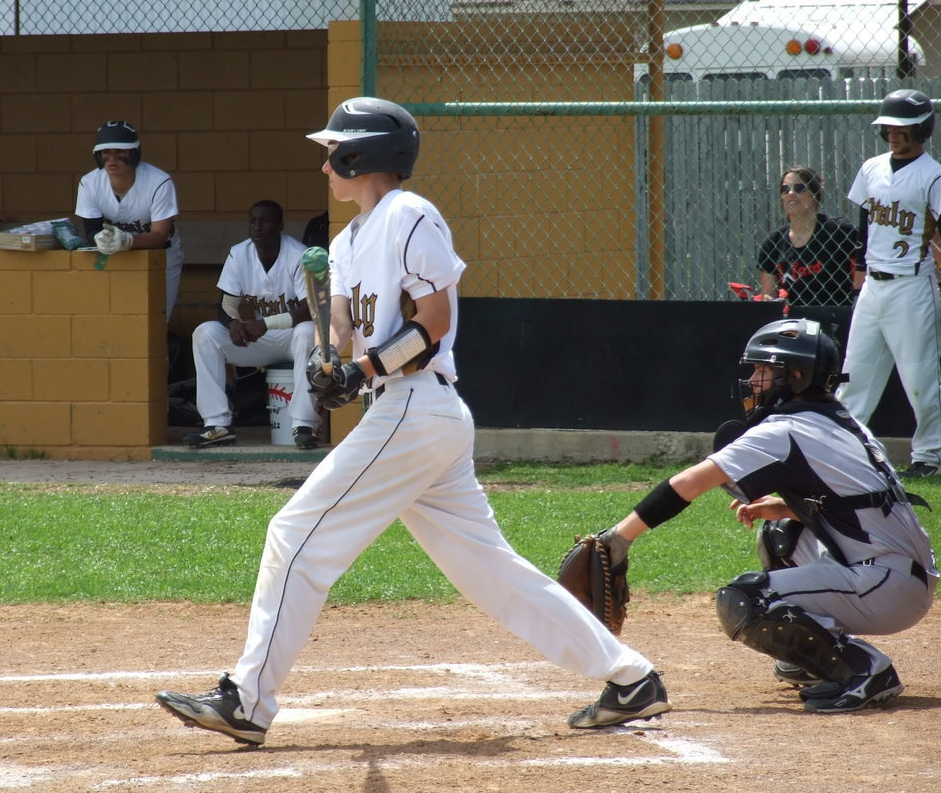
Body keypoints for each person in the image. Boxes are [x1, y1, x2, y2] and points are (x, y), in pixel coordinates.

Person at [155, 97, 672, 745]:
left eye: (333, 152)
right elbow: (340, 329)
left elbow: (434, 322)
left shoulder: (410, 216)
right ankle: (632, 678)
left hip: (414, 405)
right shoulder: (343, 241)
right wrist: (328, 361)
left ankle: (248, 700)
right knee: (494, 574)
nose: (325, 166)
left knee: (294, 534)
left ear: (362, 154)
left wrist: (363, 370)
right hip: (412, 415)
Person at [596, 318, 936, 714]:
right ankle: (812, 660)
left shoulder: (785, 429)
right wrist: (787, 506)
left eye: (764, 370)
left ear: (795, 375)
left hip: (885, 585)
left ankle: (864, 668)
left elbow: (688, 483)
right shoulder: (839, 419)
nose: (755, 380)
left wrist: (619, 537)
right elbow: (860, 499)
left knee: (743, 600)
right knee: (780, 532)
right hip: (896, 575)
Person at [838, 89, 941, 479]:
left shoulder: (933, 174)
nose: (892, 134)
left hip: (912, 285)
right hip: (874, 286)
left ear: (921, 129)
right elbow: (866, 226)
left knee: (919, 377)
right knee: (855, 373)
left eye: (901, 127)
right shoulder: (871, 168)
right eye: (887, 128)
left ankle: (929, 456)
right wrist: (860, 277)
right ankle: (848, 449)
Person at [183, 200, 320, 450]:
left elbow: (310, 310)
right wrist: (233, 323)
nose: (257, 227)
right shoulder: (240, 253)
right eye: (253, 221)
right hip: (259, 339)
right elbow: (225, 305)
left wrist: (265, 323)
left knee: (308, 332)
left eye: (265, 221)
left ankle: (304, 425)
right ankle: (217, 424)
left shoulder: (298, 254)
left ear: (279, 225)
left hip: (291, 337)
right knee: (205, 333)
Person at [75, 121, 183, 322]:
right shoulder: (89, 183)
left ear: (134, 153)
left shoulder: (158, 181)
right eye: (106, 152)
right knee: (117, 320)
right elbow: (91, 231)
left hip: (162, 257)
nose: (112, 158)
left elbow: (159, 237)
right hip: (115, 258)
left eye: (120, 151)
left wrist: (127, 241)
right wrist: (100, 239)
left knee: (156, 323)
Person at [756, 165, 860, 306]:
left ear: (814, 194)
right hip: (792, 322)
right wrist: (769, 299)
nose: (791, 193)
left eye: (799, 188)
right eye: (785, 189)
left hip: (837, 316)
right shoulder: (773, 242)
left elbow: (865, 270)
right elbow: (768, 293)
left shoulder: (840, 231)